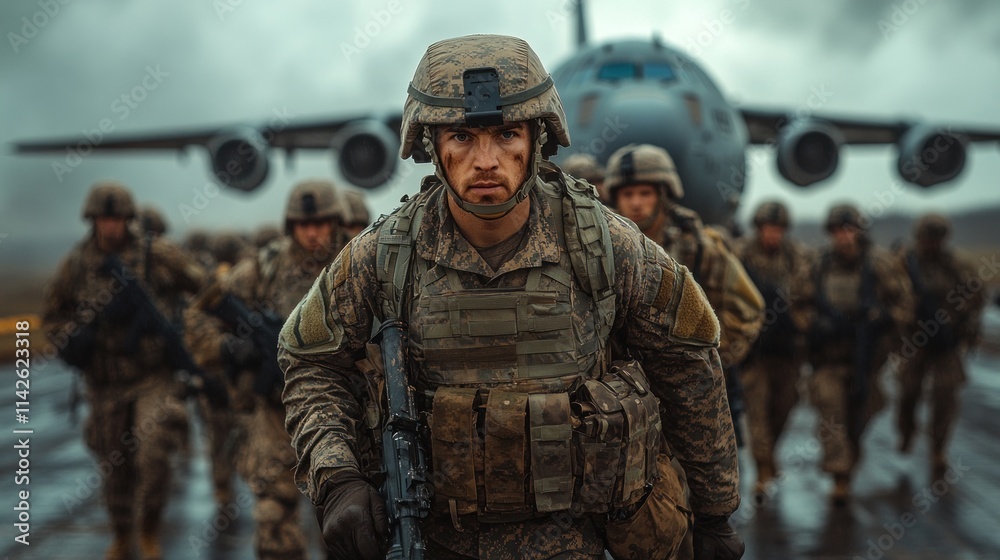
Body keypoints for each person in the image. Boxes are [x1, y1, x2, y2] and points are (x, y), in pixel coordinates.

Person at [279, 34, 744, 560]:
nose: (485, 161)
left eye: (505, 134)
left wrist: (715, 513)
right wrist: (337, 475)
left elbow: (689, 365)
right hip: (436, 539)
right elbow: (309, 360)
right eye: (461, 136)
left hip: (576, 540)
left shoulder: (604, 245)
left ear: (536, 140)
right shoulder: (385, 255)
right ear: (432, 145)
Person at [184, 179, 349, 560]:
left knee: (348, 523)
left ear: (334, 222)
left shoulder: (356, 261)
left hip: (346, 414)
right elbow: (199, 314)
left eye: (321, 223)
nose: (312, 232)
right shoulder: (263, 268)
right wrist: (229, 348)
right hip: (276, 415)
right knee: (274, 517)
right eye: (303, 224)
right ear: (290, 225)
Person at [43, 181, 204, 560]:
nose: (111, 226)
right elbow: (51, 320)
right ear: (92, 220)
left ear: (128, 219)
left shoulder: (156, 255)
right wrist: (77, 340)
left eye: (118, 218)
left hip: (153, 377)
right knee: (114, 465)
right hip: (105, 383)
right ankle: (121, 534)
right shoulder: (76, 265)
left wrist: (196, 332)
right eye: (104, 218)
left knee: (153, 452)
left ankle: (148, 529)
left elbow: (205, 288)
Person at [604, 143, 764, 448]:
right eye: (628, 194)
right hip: (621, 398)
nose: (636, 203)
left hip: (692, 398)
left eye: (645, 193)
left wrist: (709, 360)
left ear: (663, 195)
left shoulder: (701, 247)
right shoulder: (601, 249)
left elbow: (748, 309)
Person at [795, 204, 914, 504]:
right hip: (828, 362)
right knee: (831, 413)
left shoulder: (879, 264)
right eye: (837, 231)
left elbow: (906, 305)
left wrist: (882, 318)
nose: (843, 237)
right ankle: (840, 477)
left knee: (861, 416)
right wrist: (817, 325)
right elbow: (796, 302)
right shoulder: (818, 264)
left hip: (867, 362)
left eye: (848, 230)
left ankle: (847, 461)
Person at [895, 213, 984, 480]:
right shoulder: (905, 264)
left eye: (937, 239)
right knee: (909, 390)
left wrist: (956, 320)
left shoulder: (957, 265)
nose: (932, 244)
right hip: (916, 340)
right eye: (927, 238)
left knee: (946, 395)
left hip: (947, 342)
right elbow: (890, 294)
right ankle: (907, 431)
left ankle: (938, 449)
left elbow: (976, 297)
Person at [734, 201, 812, 499]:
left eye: (778, 230)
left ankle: (771, 455)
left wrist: (799, 324)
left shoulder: (798, 258)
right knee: (757, 412)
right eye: (768, 229)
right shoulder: (741, 254)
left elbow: (808, 296)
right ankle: (764, 470)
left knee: (785, 405)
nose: (772, 235)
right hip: (755, 352)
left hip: (788, 350)